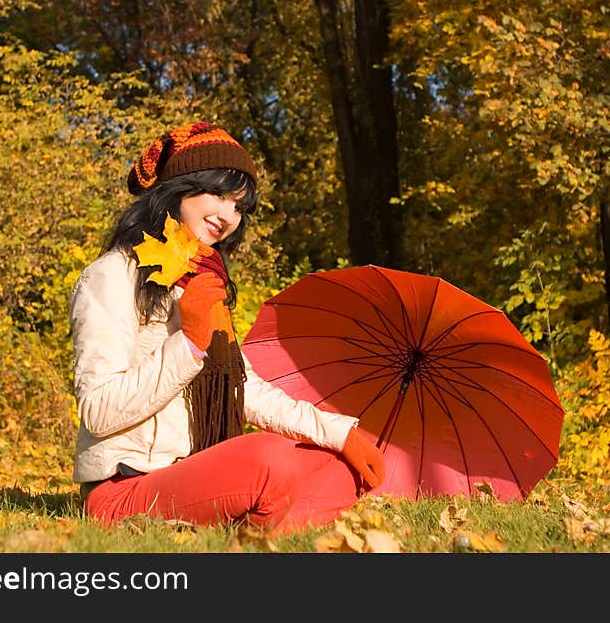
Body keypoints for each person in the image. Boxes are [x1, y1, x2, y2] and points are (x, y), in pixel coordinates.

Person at [68, 121, 386, 536]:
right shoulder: (111, 275)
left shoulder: (202, 282)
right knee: (267, 458)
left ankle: (257, 524)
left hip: (192, 472)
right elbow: (98, 410)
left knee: (335, 464)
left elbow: (244, 390)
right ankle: (269, 516)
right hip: (125, 488)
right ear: (180, 187)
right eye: (218, 193)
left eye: (239, 206)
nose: (228, 216)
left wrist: (338, 433)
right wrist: (189, 344)